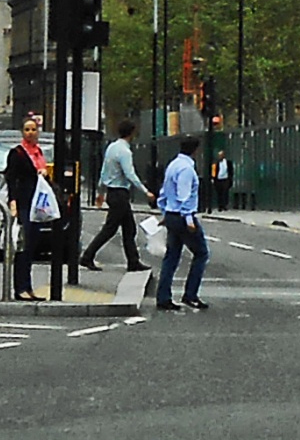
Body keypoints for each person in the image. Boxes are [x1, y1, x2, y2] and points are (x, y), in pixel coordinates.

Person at [81, 118, 154, 275]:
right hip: (120, 193)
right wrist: (145, 191)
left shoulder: (111, 147)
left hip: (112, 193)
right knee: (110, 229)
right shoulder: (125, 152)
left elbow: (104, 171)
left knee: (129, 228)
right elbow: (130, 174)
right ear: (132, 133)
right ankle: (88, 256)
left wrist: (101, 191)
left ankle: (133, 261)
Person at [155, 133, 209, 312]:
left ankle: (163, 297)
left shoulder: (173, 165)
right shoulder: (187, 169)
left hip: (171, 214)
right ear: (196, 150)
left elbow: (163, 194)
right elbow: (183, 196)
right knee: (201, 253)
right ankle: (190, 295)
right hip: (183, 217)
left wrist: (165, 213)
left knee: (171, 257)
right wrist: (188, 219)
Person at [5, 114, 52, 300]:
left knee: (32, 247)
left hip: (37, 205)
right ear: (22, 132)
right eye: (27, 130)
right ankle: (20, 288)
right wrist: (13, 201)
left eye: (34, 129)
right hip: (24, 202)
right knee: (23, 247)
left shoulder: (39, 152)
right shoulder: (17, 153)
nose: (31, 133)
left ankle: (28, 287)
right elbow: (11, 178)